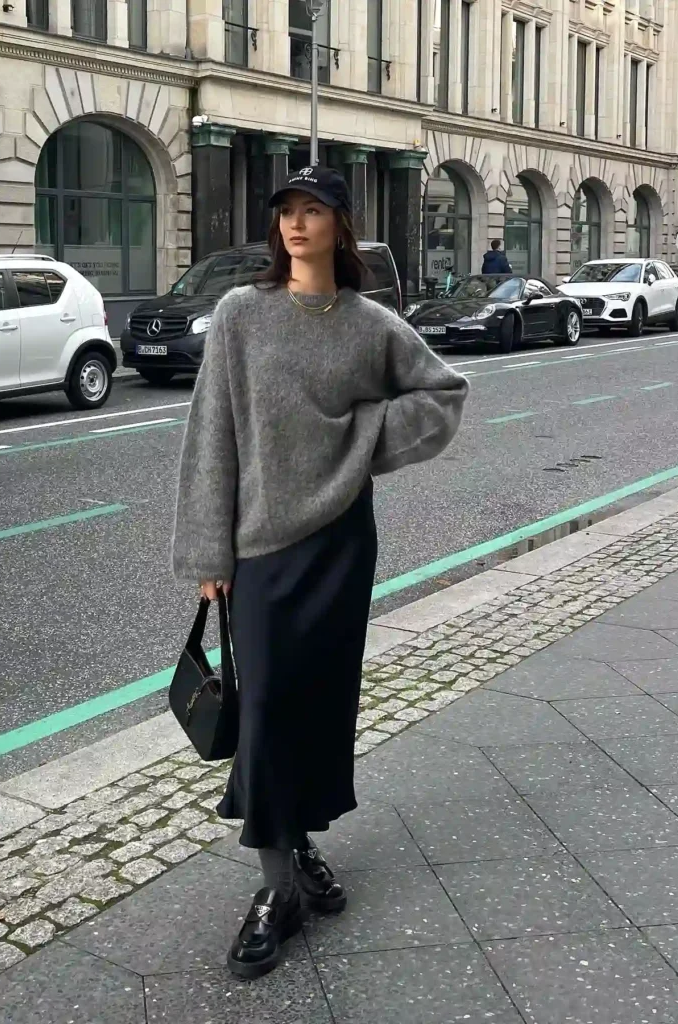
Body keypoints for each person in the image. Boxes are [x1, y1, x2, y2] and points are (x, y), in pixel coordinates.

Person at [172, 166, 469, 981]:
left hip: (340, 545)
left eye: (313, 211)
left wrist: (359, 438)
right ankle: (277, 889)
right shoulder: (241, 314)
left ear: (342, 226)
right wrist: (207, 552)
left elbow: (443, 394)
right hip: (262, 549)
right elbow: (211, 437)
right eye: (286, 212)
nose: (296, 224)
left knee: (315, 705)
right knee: (265, 709)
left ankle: (298, 846)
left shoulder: (371, 324)